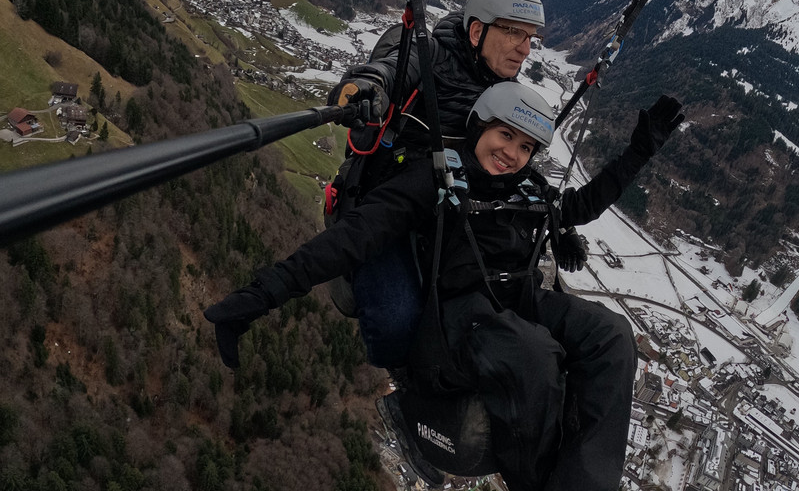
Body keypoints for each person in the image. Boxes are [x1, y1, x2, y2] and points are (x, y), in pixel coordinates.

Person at [205, 82, 685, 491]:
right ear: (480, 128)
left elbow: (582, 206)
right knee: (531, 354)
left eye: (525, 148)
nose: (511, 154)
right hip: (457, 315)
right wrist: (258, 297)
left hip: (517, 301)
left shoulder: (530, 188)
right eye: (504, 136)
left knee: (613, 336)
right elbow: (348, 242)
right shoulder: (432, 182)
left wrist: (639, 151)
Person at [322, 0, 553, 367]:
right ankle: (403, 381)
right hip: (393, 205)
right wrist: (366, 89)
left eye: (530, 38)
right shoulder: (429, 55)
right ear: (478, 30)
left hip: (446, 208)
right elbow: (391, 70)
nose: (525, 49)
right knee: (396, 325)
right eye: (515, 32)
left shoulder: (502, 84)